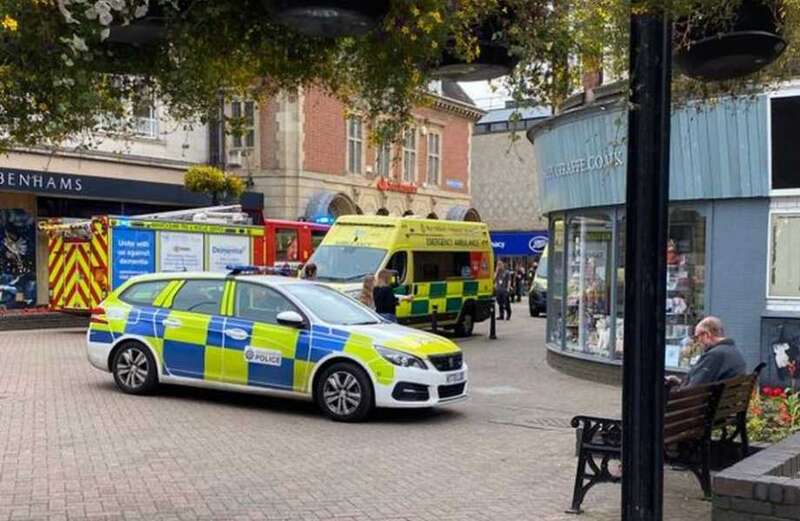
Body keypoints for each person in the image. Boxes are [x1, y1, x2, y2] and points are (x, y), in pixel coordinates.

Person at [666, 316, 746, 388]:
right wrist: (679, 382)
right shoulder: (734, 352)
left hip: (701, 403)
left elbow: (693, 390)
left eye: (697, 337)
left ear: (706, 335)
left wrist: (675, 388)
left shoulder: (715, 355)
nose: (696, 342)